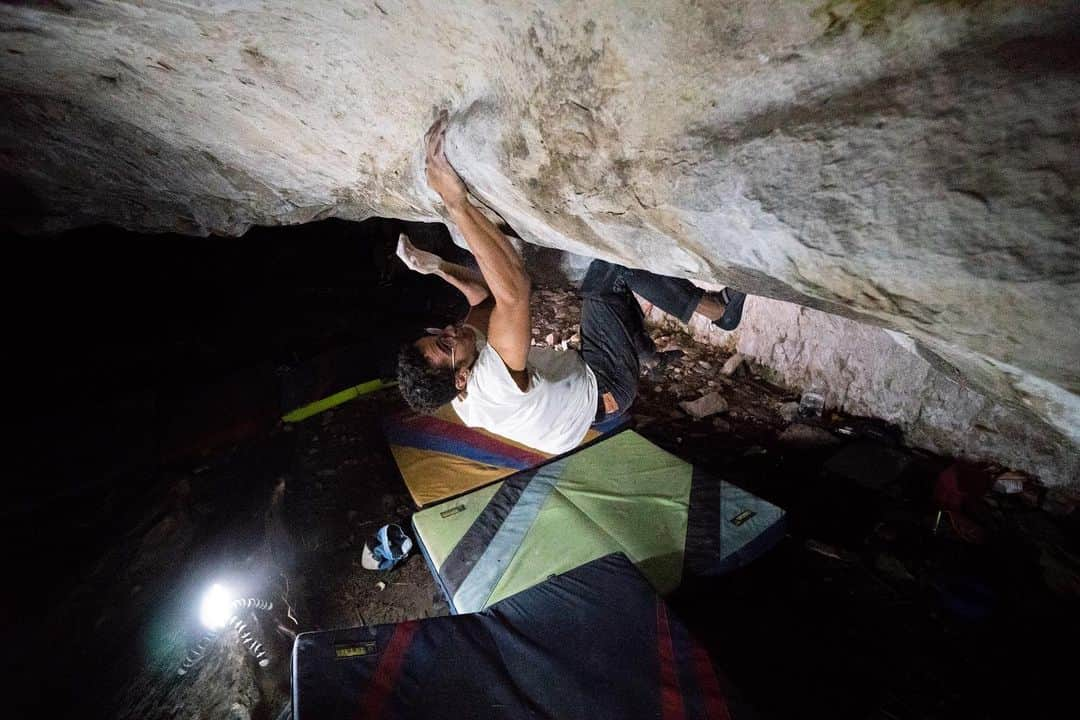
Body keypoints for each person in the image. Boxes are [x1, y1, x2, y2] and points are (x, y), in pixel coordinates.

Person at [396, 111, 746, 455]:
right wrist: (456, 203)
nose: (449, 330)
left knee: (603, 293)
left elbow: (484, 300)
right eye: (445, 344)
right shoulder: (491, 385)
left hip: (573, 396)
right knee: (609, 273)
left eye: (437, 333)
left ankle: (643, 351)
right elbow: (515, 290)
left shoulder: (460, 380)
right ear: (460, 378)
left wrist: (440, 267)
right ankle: (719, 311)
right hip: (605, 387)